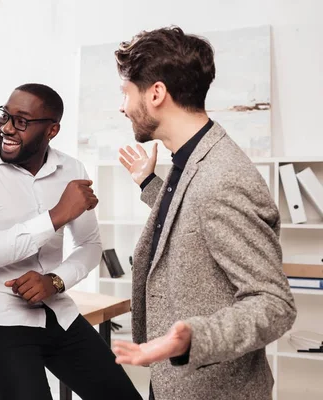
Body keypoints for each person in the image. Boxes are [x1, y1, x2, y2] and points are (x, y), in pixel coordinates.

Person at [111, 27, 297, 400]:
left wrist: (192, 339)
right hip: (175, 383)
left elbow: (274, 303)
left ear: (157, 93)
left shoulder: (223, 178)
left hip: (211, 389)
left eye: (126, 94)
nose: (123, 107)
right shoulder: (191, 159)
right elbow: (193, 223)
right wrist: (150, 185)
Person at [0, 83, 141, 400]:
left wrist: (55, 280)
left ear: (52, 130)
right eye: (5, 116)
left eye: (21, 121)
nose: (7, 128)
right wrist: (55, 216)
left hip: (58, 312)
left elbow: (90, 245)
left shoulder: (71, 169)